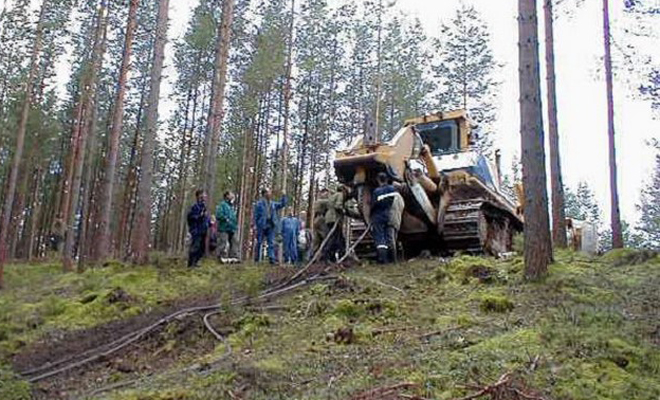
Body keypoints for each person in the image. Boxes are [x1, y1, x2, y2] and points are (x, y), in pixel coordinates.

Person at [253, 188, 287, 264]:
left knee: (271, 242)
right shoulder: (259, 204)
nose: (270, 193)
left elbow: (282, 204)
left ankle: (272, 259)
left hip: (271, 225)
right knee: (259, 242)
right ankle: (257, 259)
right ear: (264, 194)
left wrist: (284, 195)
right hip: (261, 225)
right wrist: (255, 225)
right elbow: (255, 215)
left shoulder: (273, 204)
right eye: (268, 192)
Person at [371, 172, 397, 264]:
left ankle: (383, 259)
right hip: (388, 214)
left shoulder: (377, 191)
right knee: (388, 236)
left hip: (378, 215)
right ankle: (392, 259)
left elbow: (373, 204)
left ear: (378, 180)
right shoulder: (392, 189)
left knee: (380, 237)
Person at [187, 189, 210, 268]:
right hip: (196, 230)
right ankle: (190, 265)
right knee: (195, 246)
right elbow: (191, 217)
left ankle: (195, 262)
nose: (206, 196)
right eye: (204, 194)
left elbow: (205, 218)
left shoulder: (204, 206)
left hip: (203, 230)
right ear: (200, 196)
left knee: (202, 249)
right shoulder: (195, 206)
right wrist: (200, 216)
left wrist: (209, 223)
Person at [324, 186, 347, 262]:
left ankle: (332, 257)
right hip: (334, 218)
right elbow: (338, 206)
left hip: (329, 218)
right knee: (335, 238)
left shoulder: (332, 196)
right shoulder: (340, 195)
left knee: (336, 237)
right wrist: (344, 211)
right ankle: (328, 255)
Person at [216, 191, 239, 262]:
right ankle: (221, 257)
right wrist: (225, 218)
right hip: (224, 227)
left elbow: (233, 217)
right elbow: (219, 215)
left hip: (232, 228)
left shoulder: (231, 206)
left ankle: (234, 257)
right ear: (227, 196)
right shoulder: (222, 205)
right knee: (223, 242)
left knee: (234, 242)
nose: (232, 196)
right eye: (231, 194)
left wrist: (235, 224)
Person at [312, 188, 330, 259]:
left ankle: (314, 256)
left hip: (317, 219)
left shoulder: (319, 201)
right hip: (321, 220)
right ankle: (323, 256)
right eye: (326, 193)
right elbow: (330, 202)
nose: (328, 195)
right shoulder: (321, 201)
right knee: (325, 237)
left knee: (317, 239)